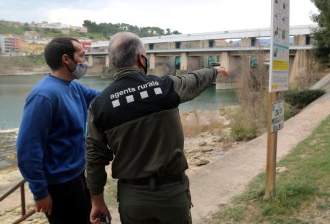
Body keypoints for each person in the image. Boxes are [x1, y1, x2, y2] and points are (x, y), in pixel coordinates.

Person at [86, 32, 229, 224]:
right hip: (172, 193)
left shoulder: (99, 105)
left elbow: (94, 158)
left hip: (132, 197)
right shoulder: (165, 87)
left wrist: (97, 201)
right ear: (140, 58)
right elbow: (193, 81)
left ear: (113, 62)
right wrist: (215, 70)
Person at [16, 37, 100, 224]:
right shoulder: (43, 96)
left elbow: (99, 99)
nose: (85, 61)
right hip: (59, 187)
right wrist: (40, 192)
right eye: (82, 55)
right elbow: (28, 149)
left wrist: (127, 90)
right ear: (66, 59)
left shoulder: (73, 86)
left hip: (77, 175)